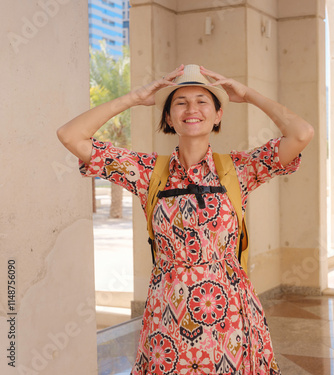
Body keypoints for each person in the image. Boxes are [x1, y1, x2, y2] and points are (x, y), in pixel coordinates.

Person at [57, 64, 314, 374]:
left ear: (218, 114)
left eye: (202, 100)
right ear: (169, 117)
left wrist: (248, 95)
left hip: (230, 320)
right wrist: (134, 98)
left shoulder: (238, 169)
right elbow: (70, 135)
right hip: (169, 321)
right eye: (180, 102)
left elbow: (301, 134)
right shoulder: (147, 172)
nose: (192, 108)